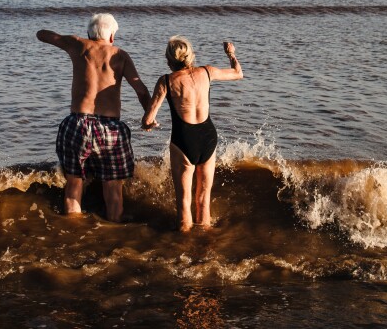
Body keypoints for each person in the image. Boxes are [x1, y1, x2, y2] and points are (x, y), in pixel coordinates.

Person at [37, 13, 151, 222]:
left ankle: (74, 228)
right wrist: (149, 116)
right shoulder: (120, 55)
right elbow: (141, 91)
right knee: (113, 187)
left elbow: (42, 34)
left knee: (74, 183)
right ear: (112, 36)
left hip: (78, 124)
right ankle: (113, 227)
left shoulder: (78, 45)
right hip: (110, 130)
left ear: (89, 33)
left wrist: (70, 40)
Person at [142, 36, 243, 231]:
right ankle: (205, 249)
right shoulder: (207, 72)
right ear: (190, 56)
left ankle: (184, 250)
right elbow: (238, 73)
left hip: (184, 140)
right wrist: (231, 54)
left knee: (184, 202)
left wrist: (149, 125)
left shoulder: (165, 81)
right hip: (208, 137)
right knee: (204, 200)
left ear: (170, 60)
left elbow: (147, 120)